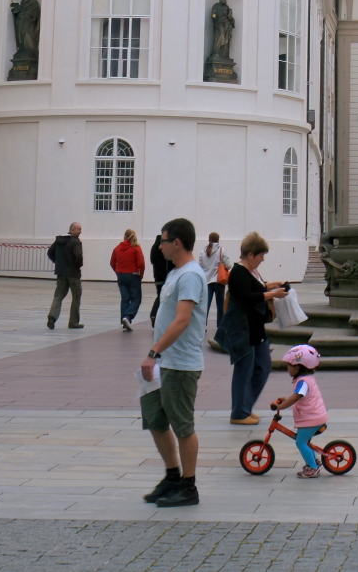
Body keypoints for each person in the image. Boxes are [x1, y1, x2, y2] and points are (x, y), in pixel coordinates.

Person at [139, 217, 209, 508]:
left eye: (163, 241)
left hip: (180, 364)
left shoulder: (190, 275)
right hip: (165, 362)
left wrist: (153, 352)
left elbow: (182, 321)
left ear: (176, 243)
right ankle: (171, 476)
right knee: (155, 420)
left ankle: (188, 486)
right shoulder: (176, 273)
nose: (160, 246)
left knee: (182, 425)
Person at [220, 231, 288, 425]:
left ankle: (245, 407)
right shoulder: (238, 272)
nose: (262, 259)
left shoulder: (250, 272)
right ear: (251, 254)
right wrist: (271, 293)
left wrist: (269, 286)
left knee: (262, 367)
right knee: (244, 370)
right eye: (261, 255)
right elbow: (246, 298)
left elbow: (253, 289)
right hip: (243, 329)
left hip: (255, 329)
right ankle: (239, 412)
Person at [271, 343, 331, 477]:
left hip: (311, 418)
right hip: (314, 416)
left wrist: (281, 405)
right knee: (305, 440)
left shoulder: (303, 382)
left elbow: (296, 396)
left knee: (300, 442)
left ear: (298, 367)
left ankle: (313, 468)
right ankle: (314, 460)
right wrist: (285, 399)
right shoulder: (305, 379)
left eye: (289, 366)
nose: (288, 369)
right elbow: (301, 396)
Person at [46, 221, 84, 330]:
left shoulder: (59, 241)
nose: (80, 231)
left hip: (61, 273)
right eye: (79, 229)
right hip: (73, 273)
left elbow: (50, 252)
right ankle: (73, 322)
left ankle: (52, 317)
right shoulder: (75, 241)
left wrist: (58, 263)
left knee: (58, 296)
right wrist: (78, 265)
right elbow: (78, 256)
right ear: (72, 230)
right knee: (76, 297)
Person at [198, 232, 232, 341]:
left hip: (207, 281)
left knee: (205, 305)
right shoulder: (221, 251)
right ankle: (220, 326)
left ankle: (202, 326)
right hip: (219, 281)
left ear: (209, 239)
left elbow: (200, 265)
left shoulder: (203, 251)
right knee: (220, 305)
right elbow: (229, 265)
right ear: (218, 239)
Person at [111, 229, 145, 332]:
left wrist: (118, 272)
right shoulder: (136, 248)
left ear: (124, 236)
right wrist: (141, 275)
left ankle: (124, 321)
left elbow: (112, 262)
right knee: (136, 298)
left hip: (121, 276)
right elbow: (141, 264)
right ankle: (128, 317)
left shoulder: (117, 248)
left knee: (125, 298)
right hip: (133, 275)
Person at [149, 232, 170, 325]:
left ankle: (155, 315)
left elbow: (152, 261)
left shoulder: (154, 248)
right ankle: (155, 314)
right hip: (165, 276)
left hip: (157, 276)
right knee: (162, 296)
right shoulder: (164, 247)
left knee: (160, 295)